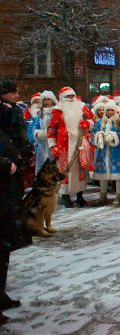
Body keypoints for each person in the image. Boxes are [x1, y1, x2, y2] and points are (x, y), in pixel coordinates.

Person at [0, 80, 32, 325]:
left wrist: (25, 152)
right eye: (13, 92)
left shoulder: (14, 112)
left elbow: (17, 139)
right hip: (3, 182)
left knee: (5, 245)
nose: (17, 95)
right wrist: (4, 162)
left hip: (10, 186)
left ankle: (1, 293)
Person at [47, 87, 95, 208]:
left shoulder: (82, 107)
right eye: (68, 97)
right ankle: (65, 196)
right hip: (64, 146)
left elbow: (92, 119)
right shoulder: (57, 111)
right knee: (65, 171)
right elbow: (51, 130)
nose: (71, 99)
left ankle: (80, 196)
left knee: (80, 170)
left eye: (72, 96)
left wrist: (88, 124)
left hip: (80, 144)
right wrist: (53, 146)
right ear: (62, 98)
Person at [90, 100, 120, 206]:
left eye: (112, 110)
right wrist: (99, 136)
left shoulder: (119, 122)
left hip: (116, 152)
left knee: (118, 175)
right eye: (108, 110)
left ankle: (118, 195)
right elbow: (92, 135)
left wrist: (113, 136)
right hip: (102, 152)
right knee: (103, 175)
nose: (110, 112)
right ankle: (102, 195)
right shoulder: (99, 123)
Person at [28, 90, 58, 175]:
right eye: (44, 99)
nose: (46, 101)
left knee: (54, 164)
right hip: (42, 143)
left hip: (54, 142)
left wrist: (53, 133)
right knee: (42, 165)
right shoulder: (41, 112)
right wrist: (38, 134)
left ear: (52, 100)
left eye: (48, 99)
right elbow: (35, 126)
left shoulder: (56, 111)